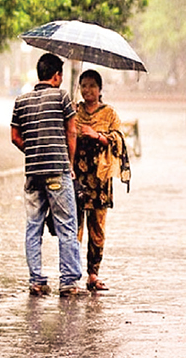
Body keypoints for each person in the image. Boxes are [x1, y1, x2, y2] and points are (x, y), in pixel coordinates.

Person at [11, 53, 82, 297]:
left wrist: (32, 151)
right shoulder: (62, 97)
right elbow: (71, 133)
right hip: (57, 172)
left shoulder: (21, 101)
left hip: (32, 174)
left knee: (33, 227)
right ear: (56, 75)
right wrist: (69, 163)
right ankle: (69, 281)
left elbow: (14, 137)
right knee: (66, 226)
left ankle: (37, 280)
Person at [74, 69, 130, 292]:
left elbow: (118, 141)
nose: (87, 90)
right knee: (74, 228)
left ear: (100, 89)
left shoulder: (109, 114)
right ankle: (72, 274)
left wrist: (96, 135)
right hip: (77, 178)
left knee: (97, 228)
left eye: (92, 86)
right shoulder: (73, 111)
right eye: (83, 86)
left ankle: (93, 275)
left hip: (100, 181)